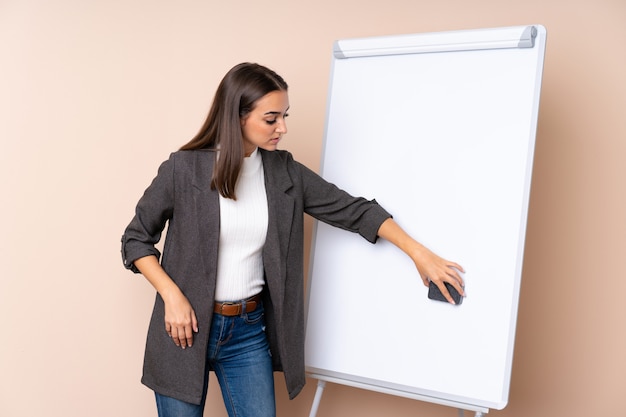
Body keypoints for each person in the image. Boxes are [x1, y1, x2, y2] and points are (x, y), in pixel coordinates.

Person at [121, 62, 464, 417]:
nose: (282, 128)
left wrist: (418, 253)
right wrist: (171, 295)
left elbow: (354, 210)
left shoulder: (284, 172)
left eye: (285, 116)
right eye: (271, 119)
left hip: (247, 332)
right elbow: (136, 239)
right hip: (184, 328)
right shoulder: (184, 169)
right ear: (237, 116)